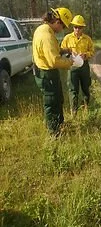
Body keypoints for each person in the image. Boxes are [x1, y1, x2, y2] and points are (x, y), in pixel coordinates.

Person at [32, 7, 74, 136]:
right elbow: (54, 61)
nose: (62, 30)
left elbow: (52, 51)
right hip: (46, 73)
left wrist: (65, 51)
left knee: (58, 99)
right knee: (51, 102)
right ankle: (54, 132)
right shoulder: (46, 35)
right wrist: (71, 62)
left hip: (49, 73)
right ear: (57, 21)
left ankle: (59, 123)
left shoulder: (45, 30)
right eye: (63, 27)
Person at [61, 15, 94, 114]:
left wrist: (86, 54)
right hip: (72, 67)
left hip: (84, 66)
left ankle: (86, 108)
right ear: (73, 27)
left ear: (83, 28)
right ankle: (73, 111)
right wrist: (69, 53)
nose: (77, 29)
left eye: (79, 27)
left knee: (85, 88)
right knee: (73, 89)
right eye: (75, 27)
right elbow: (62, 50)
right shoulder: (67, 38)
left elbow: (92, 51)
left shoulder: (87, 39)